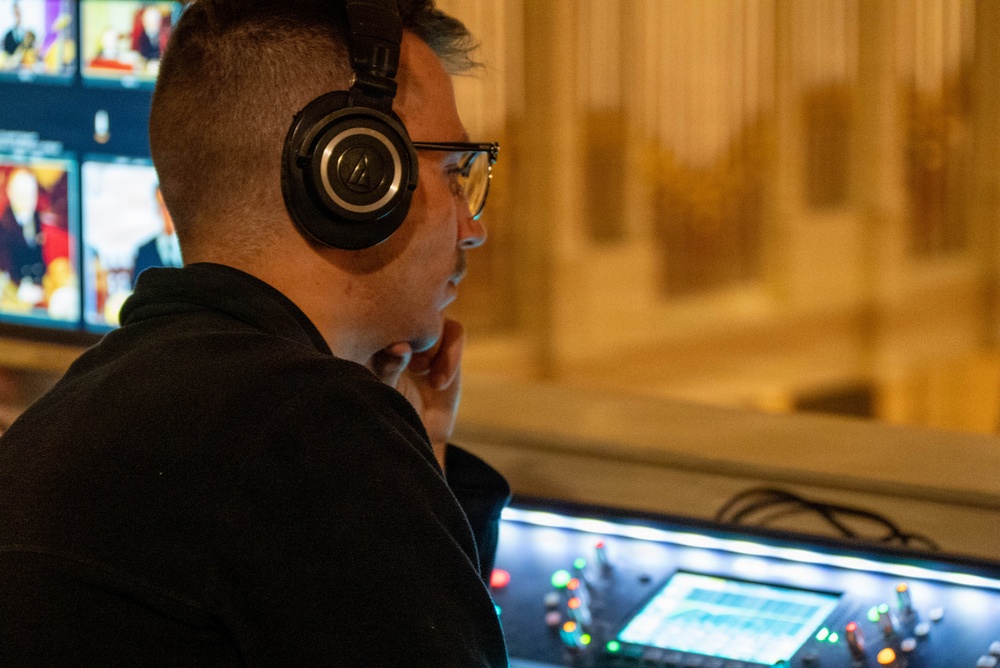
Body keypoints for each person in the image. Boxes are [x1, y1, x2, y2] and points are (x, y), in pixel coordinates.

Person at [0, 0, 509, 665]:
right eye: (452, 172)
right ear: (354, 176)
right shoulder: (312, 434)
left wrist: (422, 451)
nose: (474, 226)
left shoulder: (73, 409)